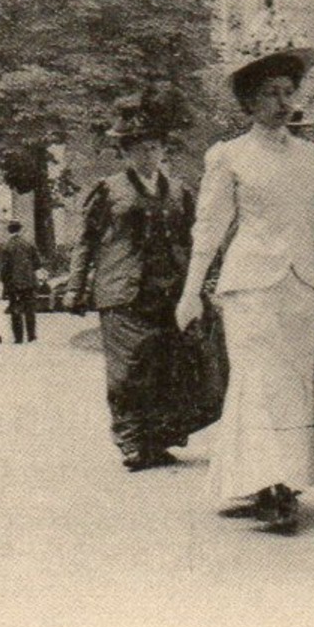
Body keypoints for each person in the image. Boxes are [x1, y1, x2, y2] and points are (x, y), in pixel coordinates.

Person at [175, 49, 314, 532]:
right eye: (269, 94)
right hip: (249, 285)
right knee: (257, 383)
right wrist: (190, 293)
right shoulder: (228, 156)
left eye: (288, 92)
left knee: (294, 385)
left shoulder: (311, 156)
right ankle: (268, 486)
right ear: (248, 103)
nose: (281, 102)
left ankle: (284, 481)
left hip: (299, 286)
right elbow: (208, 230)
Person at [68, 99, 199, 472]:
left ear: (163, 150)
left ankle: (155, 440)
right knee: (127, 370)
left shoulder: (179, 191)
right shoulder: (108, 191)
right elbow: (86, 242)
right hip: (122, 291)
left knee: (164, 366)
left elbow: (194, 240)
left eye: (155, 147)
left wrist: (198, 285)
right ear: (125, 152)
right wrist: (75, 288)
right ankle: (130, 441)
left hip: (168, 291)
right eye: (140, 148)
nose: (149, 154)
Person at [2, 221, 40, 345]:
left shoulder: (7, 246)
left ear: (9, 230)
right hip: (29, 282)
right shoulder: (29, 243)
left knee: (15, 309)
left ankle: (18, 338)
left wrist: (3, 280)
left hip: (14, 283)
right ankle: (31, 336)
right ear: (20, 229)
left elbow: (5, 267)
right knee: (30, 309)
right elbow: (37, 263)